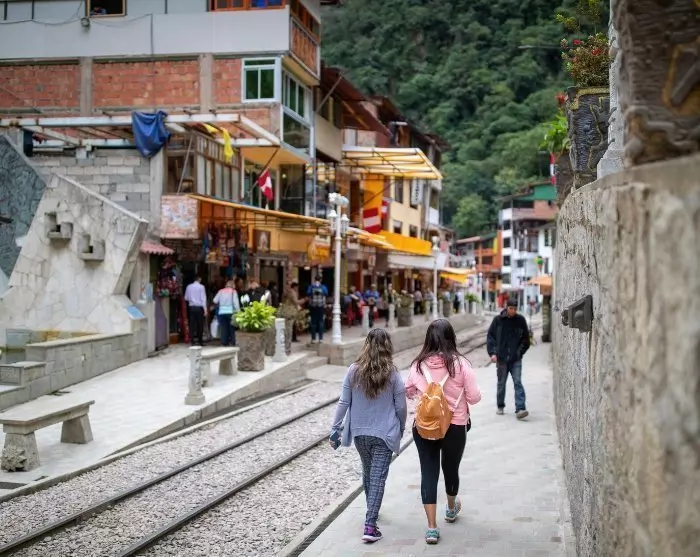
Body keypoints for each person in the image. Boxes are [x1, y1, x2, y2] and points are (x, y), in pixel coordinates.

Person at [405, 319, 482, 545]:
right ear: (451, 338)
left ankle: (431, 528)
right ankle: (450, 508)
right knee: (450, 468)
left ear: (428, 339)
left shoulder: (418, 365)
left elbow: (408, 390)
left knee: (428, 473)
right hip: (455, 426)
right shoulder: (461, 364)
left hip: (425, 426)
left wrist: (425, 393)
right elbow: (474, 397)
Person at [330, 328, 407, 544]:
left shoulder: (353, 370)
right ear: (387, 347)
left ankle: (371, 510)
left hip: (360, 433)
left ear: (366, 345)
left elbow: (343, 402)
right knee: (378, 477)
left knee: (369, 472)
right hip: (384, 434)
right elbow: (401, 405)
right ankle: (370, 526)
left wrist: (335, 428)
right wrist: (401, 426)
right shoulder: (393, 373)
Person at [486, 298, 531, 419]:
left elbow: (526, 340)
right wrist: (492, 353)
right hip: (501, 359)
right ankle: (500, 406)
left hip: (516, 359)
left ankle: (520, 408)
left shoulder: (520, 320)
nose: (513, 311)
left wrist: (519, 353)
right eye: (511, 308)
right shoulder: (498, 320)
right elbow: (490, 337)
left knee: (518, 382)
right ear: (506, 308)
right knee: (501, 383)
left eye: (515, 309)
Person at [213, 280, 240, 347]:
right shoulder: (233, 291)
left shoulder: (221, 291)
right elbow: (235, 303)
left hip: (222, 312)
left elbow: (215, 300)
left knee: (224, 328)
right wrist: (238, 311)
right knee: (232, 328)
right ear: (233, 285)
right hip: (231, 312)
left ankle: (224, 342)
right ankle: (233, 342)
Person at [184, 275, 208, 346]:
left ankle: (192, 341)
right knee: (200, 324)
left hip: (191, 307)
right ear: (199, 279)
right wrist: (205, 310)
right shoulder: (201, 287)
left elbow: (186, 298)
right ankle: (200, 341)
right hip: (199, 308)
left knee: (192, 324)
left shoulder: (188, 286)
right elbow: (203, 299)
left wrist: (192, 299)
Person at [307, 276, 328, 344]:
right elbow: (326, 293)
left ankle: (313, 339)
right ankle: (320, 339)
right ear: (320, 280)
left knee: (313, 322)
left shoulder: (311, 286)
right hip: (320, 306)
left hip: (313, 306)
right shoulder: (323, 287)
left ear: (314, 279)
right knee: (321, 322)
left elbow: (308, 293)